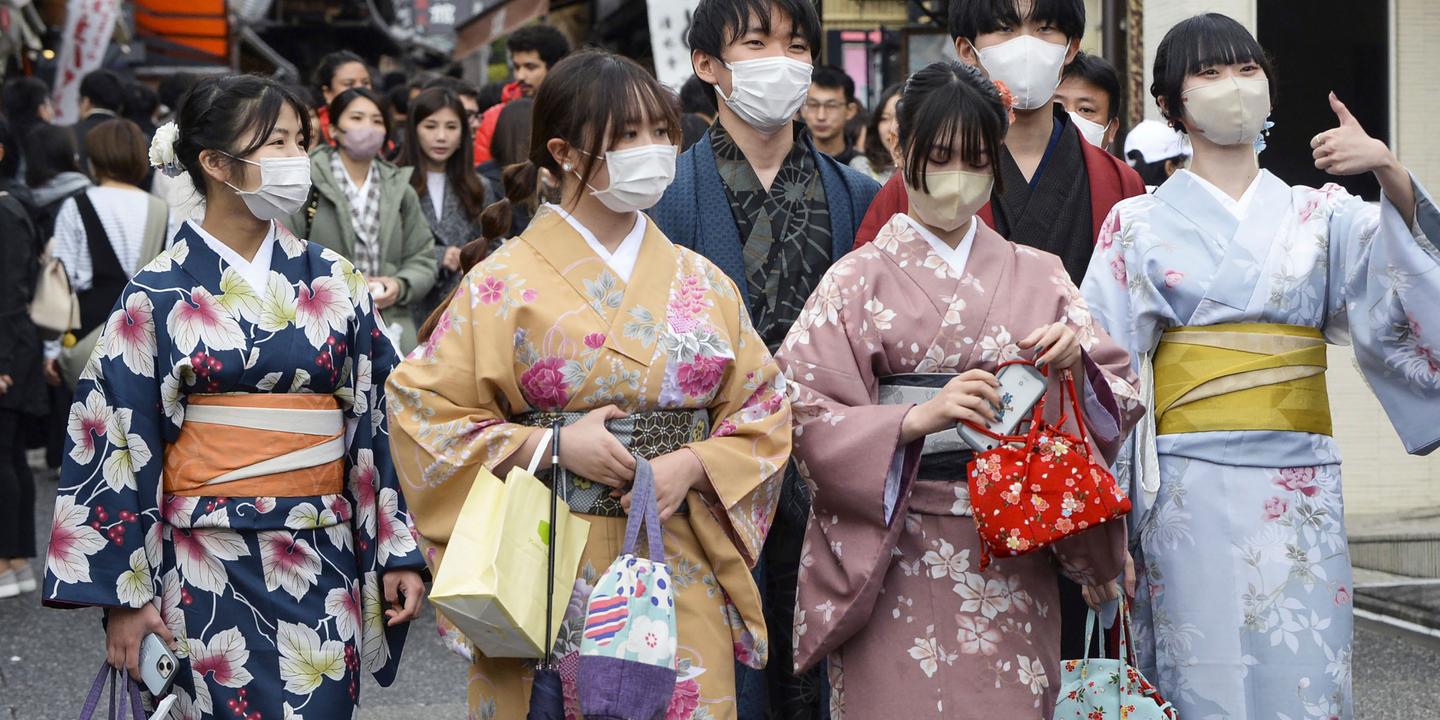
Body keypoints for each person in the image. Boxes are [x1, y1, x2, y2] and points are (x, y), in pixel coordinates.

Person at [387, 48, 791, 720]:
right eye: (628, 135)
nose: (655, 151)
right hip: (545, 556)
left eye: (662, 133)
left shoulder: (700, 279)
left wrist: (694, 462)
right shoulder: (503, 280)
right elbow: (421, 409)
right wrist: (550, 447)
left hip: (673, 549)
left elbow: (765, 405)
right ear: (564, 152)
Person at [1080, 14, 1440, 720]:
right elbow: (1106, 377)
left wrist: (1389, 170)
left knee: (1305, 676)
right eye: (1209, 74)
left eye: (1247, 70)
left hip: (1299, 486)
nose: (1234, 88)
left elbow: (1408, 285)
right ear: (1170, 104)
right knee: (1197, 677)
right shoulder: (1136, 224)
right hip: (1186, 492)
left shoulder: (1323, 213)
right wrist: (1107, 526)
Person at [41, 73, 426, 720]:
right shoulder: (156, 294)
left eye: (301, 141)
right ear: (216, 163)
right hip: (200, 561)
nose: (297, 159)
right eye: (277, 141)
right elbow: (114, 443)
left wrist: (396, 548)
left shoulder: (336, 281)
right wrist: (125, 599)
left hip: (320, 556)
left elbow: (379, 419)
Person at [779, 59, 1141, 720]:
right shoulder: (857, 280)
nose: (957, 174)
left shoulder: (1041, 273)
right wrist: (912, 421)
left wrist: (1077, 366)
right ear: (899, 146)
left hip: (1010, 551)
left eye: (976, 158)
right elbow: (798, 407)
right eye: (938, 155)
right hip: (893, 551)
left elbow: (1119, 388)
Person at [650, 0, 879, 715]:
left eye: (796, 43)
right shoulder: (665, 196)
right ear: (708, 66)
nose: (782, 58)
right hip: (705, 475)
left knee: (826, 674)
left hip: (829, 468)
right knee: (721, 677)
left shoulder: (858, 195)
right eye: (757, 42)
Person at [854, 0, 1144, 286]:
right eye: (1005, 28)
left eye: (1045, 28)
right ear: (967, 49)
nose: (1027, 45)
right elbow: (870, 290)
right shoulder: (919, 178)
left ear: (1071, 48)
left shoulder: (1118, 182)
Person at [285, 87, 436, 353]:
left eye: (377, 121)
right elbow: (285, 251)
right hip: (323, 323)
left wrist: (399, 284)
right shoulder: (308, 183)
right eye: (356, 118)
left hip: (390, 323)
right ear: (333, 129)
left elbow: (423, 256)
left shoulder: (400, 188)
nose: (368, 127)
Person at [43, 119, 170, 390]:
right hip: (145, 336)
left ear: (94, 161)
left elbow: (62, 282)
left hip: (87, 333)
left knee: (86, 421)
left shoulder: (76, 206)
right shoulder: (161, 210)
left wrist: (51, 350)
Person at [395, 87, 495, 327]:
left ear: (463, 133)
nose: (441, 136)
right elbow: (386, 248)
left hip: (462, 312)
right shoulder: (394, 182)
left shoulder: (479, 186)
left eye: (451, 127)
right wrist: (438, 256)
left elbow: (492, 245)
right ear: (414, 130)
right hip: (407, 311)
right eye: (430, 126)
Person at [0, 117, 45, 601]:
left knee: (4, 455)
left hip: (8, 347)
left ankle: (10, 563)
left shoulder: (6, 210)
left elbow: (9, 293)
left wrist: (4, 361)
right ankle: (14, 563)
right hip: (13, 346)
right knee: (7, 454)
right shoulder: (15, 205)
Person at [473, 24, 571, 165]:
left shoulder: (578, 109)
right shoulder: (495, 116)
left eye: (530, 67)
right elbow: (484, 173)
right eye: (517, 67)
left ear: (556, 66)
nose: (520, 76)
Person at [1054, 51, 1120, 151]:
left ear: (1112, 129)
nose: (1070, 120)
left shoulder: (1120, 167)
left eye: (1086, 110)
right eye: (1058, 105)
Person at [801, 65, 860, 164]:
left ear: (850, 111)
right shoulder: (792, 162)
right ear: (803, 109)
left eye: (831, 106)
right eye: (813, 105)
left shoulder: (863, 166)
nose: (821, 116)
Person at [312, 50, 373, 143]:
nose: (360, 89)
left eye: (365, 83)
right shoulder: (314, 130)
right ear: (327, 92)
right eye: (349, 84)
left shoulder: (382, 125)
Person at [849, 82, 901, 183]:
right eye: (885, 118)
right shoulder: (862, 167)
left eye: (900, 118)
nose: (892, 128)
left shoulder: (931, 168)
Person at [1123, 119, 1190, 190]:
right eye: (1182, 165)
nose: (1186, 171)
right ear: (1169, 168)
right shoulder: (1186, 199)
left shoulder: (1127, 200)